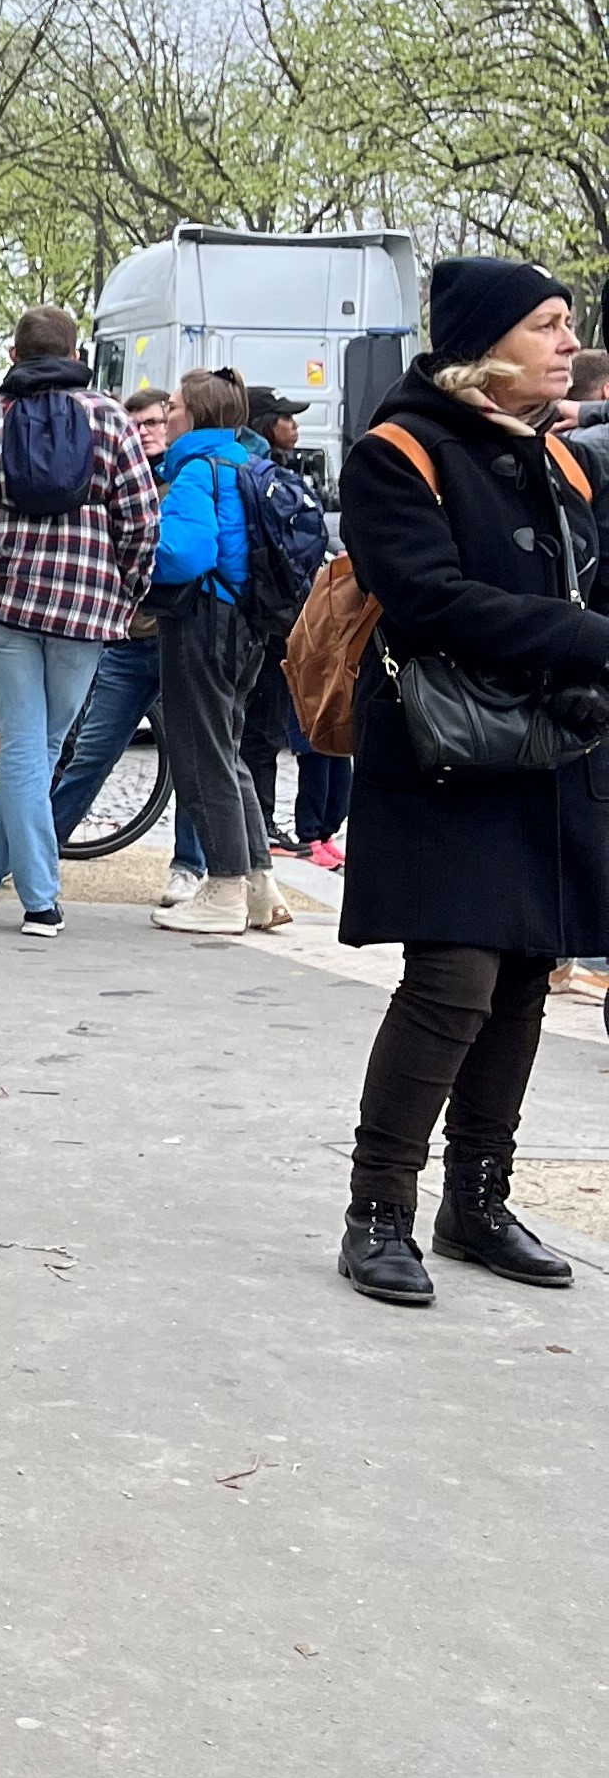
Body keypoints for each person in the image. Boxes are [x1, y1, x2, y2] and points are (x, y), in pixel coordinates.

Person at [335, 261, 605, 1308]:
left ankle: (477, 1202)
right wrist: (586, 639)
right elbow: (426, 598)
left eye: (568, 323)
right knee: (453, 983)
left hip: (555, 752)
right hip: (445, 754)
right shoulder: (398, 452)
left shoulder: (567, 465)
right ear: (487, 346)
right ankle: (378, 1212)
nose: (567, 339)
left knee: (527, 977)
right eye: (547, 324)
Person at [0, 307, 159, 937]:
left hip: (8, 604)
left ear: (13, 352)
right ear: (76, 351)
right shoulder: (110, 419)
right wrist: (127, 588)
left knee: (27, 745)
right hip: (87, 606)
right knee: (42, 746)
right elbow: (139, 517)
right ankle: (40, 899)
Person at [49, 388, 200, 895]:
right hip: (128, 639)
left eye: (156, 420)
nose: (145, 429)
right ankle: (40, 846)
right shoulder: (114, 476)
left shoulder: (189, 475)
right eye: (135, 421)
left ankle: (190, 867)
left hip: (180, 635)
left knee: (191, 757)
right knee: (92, 751)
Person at [150, 368, 284, 940]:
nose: (168, 412)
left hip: (202, 622)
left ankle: (225, 888)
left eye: (174, 405)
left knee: (200, 755)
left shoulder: (195, 471)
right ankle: (260, 886)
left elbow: (185, 553)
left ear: (195, 416)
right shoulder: (247, 463)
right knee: (229, 753)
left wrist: (138, 554)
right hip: (248, 625)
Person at [242, 394, 328, 847]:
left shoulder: (279, 470)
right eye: (286, 418)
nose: (294, 426)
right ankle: (259, 823)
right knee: (261, 726)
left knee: (263, 726)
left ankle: (262, 821)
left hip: (274, 614)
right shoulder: (265, 474)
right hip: (268, 616)